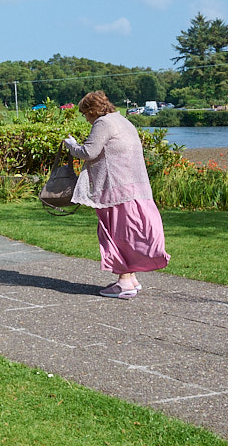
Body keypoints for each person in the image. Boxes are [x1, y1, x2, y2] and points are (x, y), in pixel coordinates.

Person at [64, 91, 170, 299]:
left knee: (115, 235)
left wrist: (71, 146)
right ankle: (131, 278)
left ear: (93, 110)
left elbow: (89, 152)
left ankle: (123, 283)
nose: (85, 118)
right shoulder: (123, 121)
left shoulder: (103, 123)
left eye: (86, 113)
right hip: (134, 188)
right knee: (129, 232)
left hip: (115, 189)